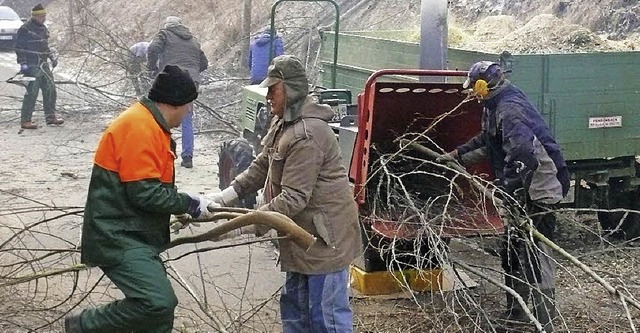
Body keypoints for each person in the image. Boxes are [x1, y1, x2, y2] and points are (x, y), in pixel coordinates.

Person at [211, 55, 362, 332]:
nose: (268, 95)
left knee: (326, 319)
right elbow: (263, 164)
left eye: (273, 89)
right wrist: (228, 195)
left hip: (324, 241)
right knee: (295, 313)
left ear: (290, 90)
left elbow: (293, 198)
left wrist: (241, 226)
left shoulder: (307, 135)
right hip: (301, 237)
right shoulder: (284, 124)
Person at [64, 65, 217, 333]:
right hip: (116, 234)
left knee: (158, 317)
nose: (189, 111)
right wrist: (188, 203)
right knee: (158, 302)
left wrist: (180, 206)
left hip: (134, 232)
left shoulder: (152, 126)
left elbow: (150, 185)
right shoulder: (139, 127)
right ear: (176, 102)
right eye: (189, 105)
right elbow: (144, 192)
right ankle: (83, 325)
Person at [444, 61, 569, 333]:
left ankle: (542, 321)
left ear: (483, 86)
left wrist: (504, 188)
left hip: (541, 188)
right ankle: (518, 312)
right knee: (512, 251)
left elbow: (523, 157)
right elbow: (488, 142)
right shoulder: (494, 108)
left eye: (475, 89)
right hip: (520, 187)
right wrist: (457, 157)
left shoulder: (510, 110)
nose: (473, 95)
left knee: (538, 255)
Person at [147, 16, 209, 169]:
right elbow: (204, 63)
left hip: (170, 78)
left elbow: (152, 49)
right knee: (186, 118)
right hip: (190, 81)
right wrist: (192, 73)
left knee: (160, 116)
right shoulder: (193, 40)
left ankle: (160, 154)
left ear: (168, 26)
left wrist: (153, 67)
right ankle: (187, 158)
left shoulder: (164, 34)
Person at [14, 3, 63, 130]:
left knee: (50, 89)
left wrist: (52, 58)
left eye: (44, 15)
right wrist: (23, 63)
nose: (44, 18)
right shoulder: (25, 29)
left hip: (43, 63)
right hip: (31, 64)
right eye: (41, 16)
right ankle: (26, 120)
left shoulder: (43, 29)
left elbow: (45, 46)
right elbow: (19, 47)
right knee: (32, 92)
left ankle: (50, 116)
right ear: (35, 16)